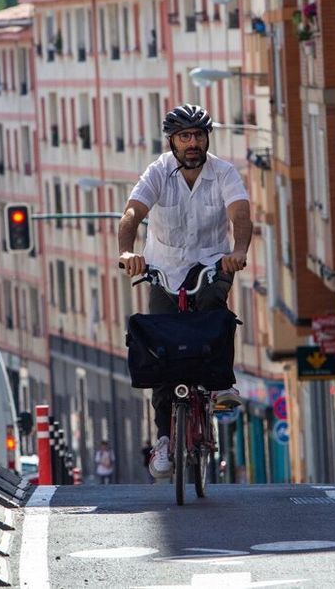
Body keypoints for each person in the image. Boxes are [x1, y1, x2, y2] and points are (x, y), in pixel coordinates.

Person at [118, 103, 252, 480]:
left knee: (213, 306)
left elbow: (240, 215)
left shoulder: (224, 172)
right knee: (159, 349)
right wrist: (128, 252)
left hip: (212, 263)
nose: (192, 143)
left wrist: (238, 252)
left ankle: (222, 385)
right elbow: (132, 213)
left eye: (198, 136)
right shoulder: (158, 171)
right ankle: (164, 438)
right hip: (163, 268)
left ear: (207, 138)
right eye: (184, 136)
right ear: (172, 141)